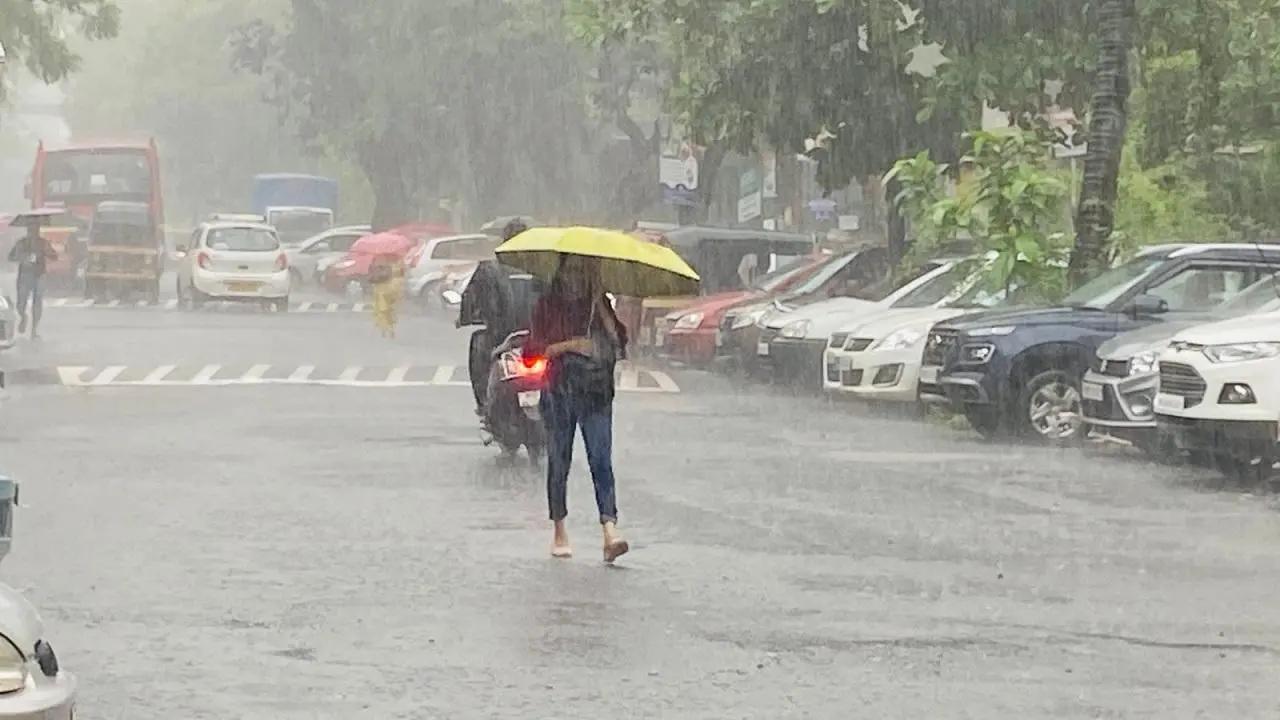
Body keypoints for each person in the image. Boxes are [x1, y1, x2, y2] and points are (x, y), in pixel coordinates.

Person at [525, 254, 630, 562]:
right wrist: (570, 345)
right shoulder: (547, 305)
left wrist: (600, 305)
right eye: (572, 270)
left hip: (597, 392)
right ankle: (559, 528)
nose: (576, 277)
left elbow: (620, 345)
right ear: (561, 271)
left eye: (584, 271)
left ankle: (610, 530)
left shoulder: (598, 303)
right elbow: (534, 351)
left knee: (601, 460)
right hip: (559, 390)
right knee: (559, 461)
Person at [460, 219, 535, 412]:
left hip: (502, 335)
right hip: (538, 335)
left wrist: (465, 317)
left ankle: (483, 404)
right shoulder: (543, 268)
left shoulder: (489, 269)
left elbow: (471, 301)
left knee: (478, 343)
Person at [7, 223, 56, 339]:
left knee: (37, 302)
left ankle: (34, 329)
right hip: (24, 275)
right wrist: (22, 258)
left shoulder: (43, 243)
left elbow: (54, 256)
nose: (33, 233)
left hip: (39, 275)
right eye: (31, 230)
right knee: (20, 303)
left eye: (35, 230)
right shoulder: (21, 243)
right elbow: (11, 257)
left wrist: (48, 252)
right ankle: (23, 317)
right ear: (28, 231)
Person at [370, 254, 405, 338]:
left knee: (383, 312)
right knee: (388, 311)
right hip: (388, 291)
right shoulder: (391, 266)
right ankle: (389, 329)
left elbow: (372, 279)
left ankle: (385, 330)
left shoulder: (377, 267)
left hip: (382, 292)